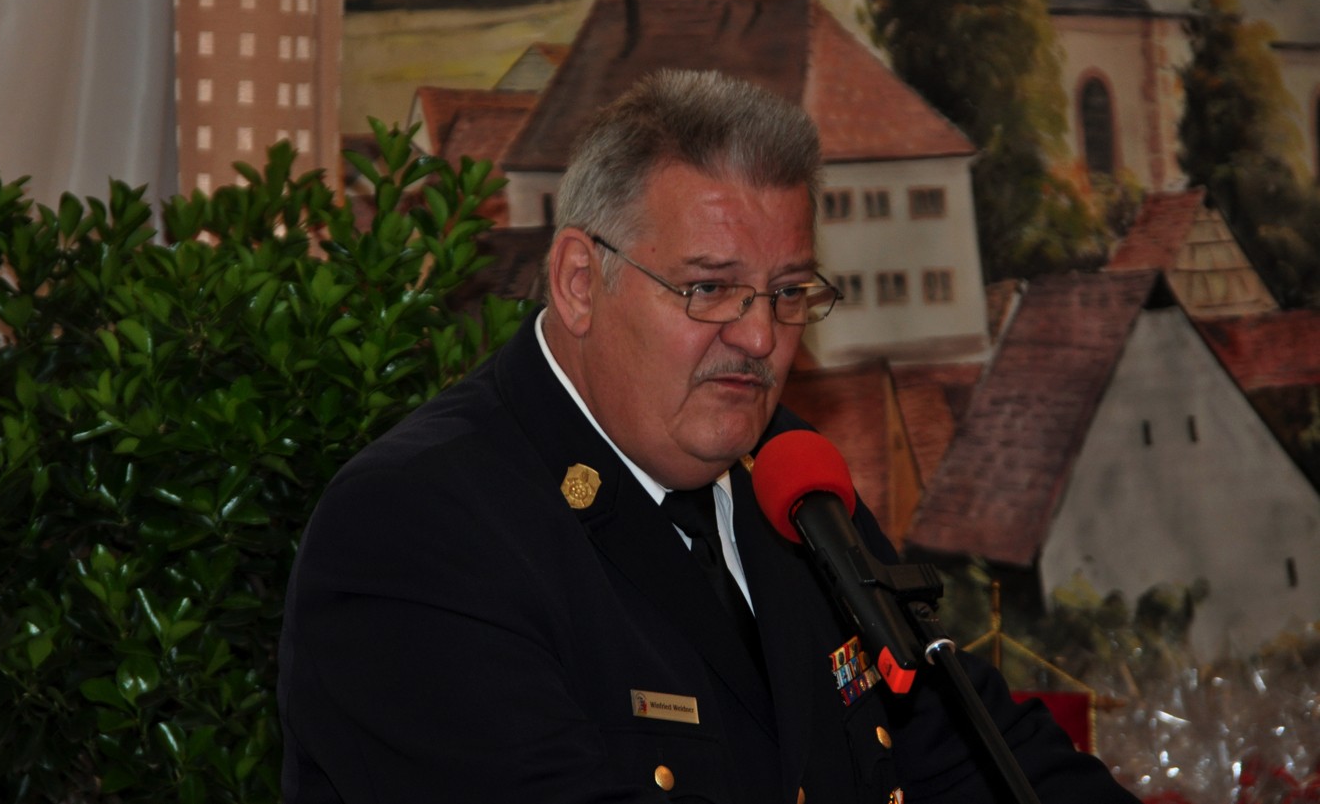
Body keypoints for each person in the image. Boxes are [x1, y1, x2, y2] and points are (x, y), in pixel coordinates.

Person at [278, 70, 1140, 803]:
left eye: (788, 292)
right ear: (579, 281)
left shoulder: (790, 478)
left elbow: (975, 752)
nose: (760, 337)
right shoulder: (415, 527)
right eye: (710, 289)